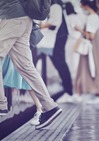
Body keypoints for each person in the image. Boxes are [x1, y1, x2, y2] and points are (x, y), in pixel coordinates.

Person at [0, 0, 62, 129]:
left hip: (11, 18)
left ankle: (1, 104)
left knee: (25, 66)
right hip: (24, 20)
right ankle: (50, 107)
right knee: (25, 66)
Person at [37, 0, 73, 103]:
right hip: (58, 38)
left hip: (58, 38)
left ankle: (69, 92)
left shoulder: (55, 5)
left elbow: (53, 24)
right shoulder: (56, 4)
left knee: (61, 64)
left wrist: (39, 26)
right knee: (60, 64)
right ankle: (68, 91)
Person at [74, 0, 99, 103]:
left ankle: (98, 94)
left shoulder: (92, 17)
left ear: (85, 5)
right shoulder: (94, 16)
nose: (79, 5)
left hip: (91, 48)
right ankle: (94, 93)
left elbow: (90, 36)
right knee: (93, 68)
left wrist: (79, 30)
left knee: (94, 68)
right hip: (92, 48)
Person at [2, 55, 42, 125]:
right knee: (27, 76)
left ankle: (41, 108)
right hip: (13, 52)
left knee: (26, 75)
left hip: (10, 51)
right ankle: (41, 108)